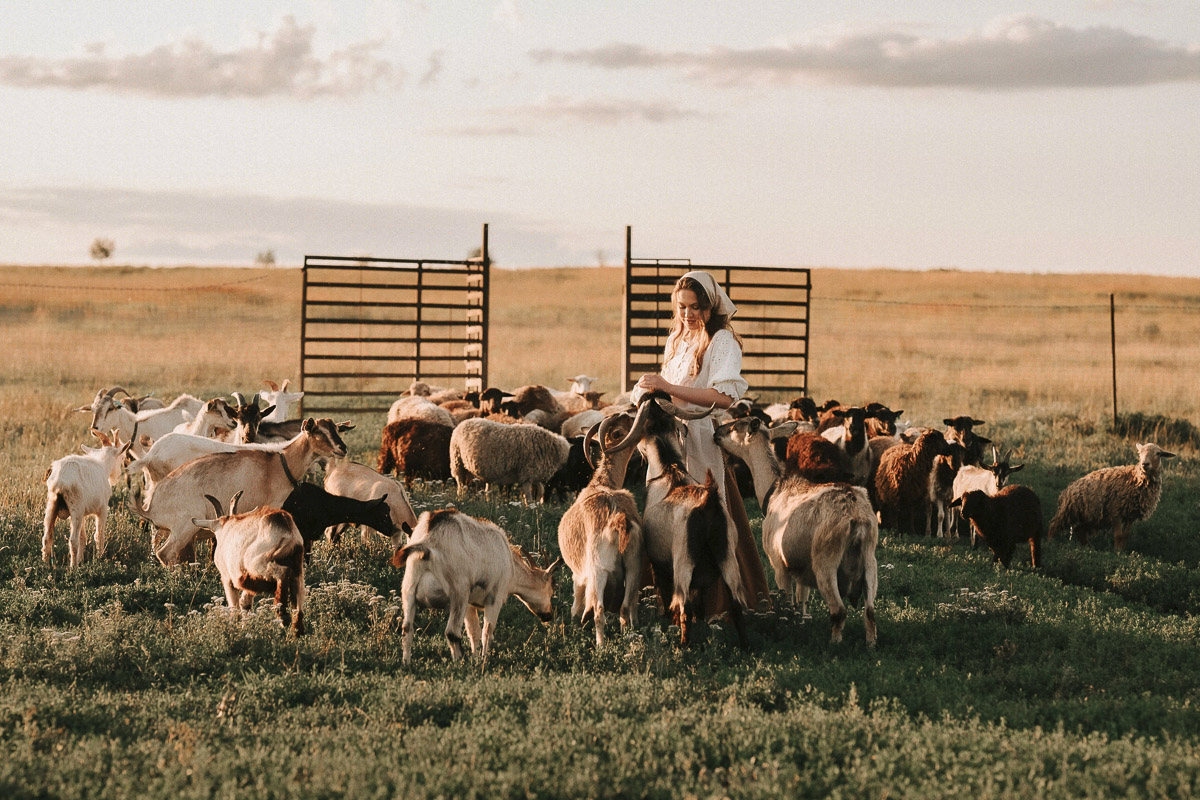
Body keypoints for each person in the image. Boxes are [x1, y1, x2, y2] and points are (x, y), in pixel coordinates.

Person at [628, 270, 770, 611]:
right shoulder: (676, 340)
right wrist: (647, 393)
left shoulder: (722, 341)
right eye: (682, 307)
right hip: (668, 442)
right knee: (664, 517)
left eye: (695, 307)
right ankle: (665, 601)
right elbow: (667, 387)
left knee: (705, 515)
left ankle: (718, 606)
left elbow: (723, 397)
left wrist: (667, 388)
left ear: (710, 306)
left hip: (701, 438)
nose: (688, 314)